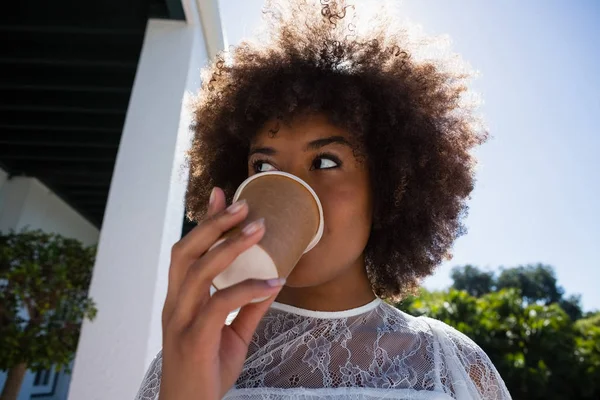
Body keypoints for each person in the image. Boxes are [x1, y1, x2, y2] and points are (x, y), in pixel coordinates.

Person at [135, 0, 511, 399]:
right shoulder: (188, 357)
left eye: (326, 161)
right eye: (263, 167)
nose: (290, 186)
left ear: (388, 187)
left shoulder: (453, 368)